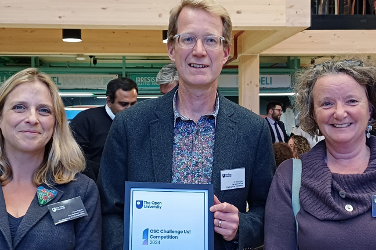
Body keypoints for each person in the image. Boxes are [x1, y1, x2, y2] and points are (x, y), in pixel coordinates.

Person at [97, 1, 275, 249]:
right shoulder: (130, 125)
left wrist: (241, 226)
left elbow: (268, 210)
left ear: (225, 52)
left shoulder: (252, 129)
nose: (199, 50)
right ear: (172, 49)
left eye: (211, 40)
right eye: (188, 38)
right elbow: (109, 211)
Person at [264, 59, 376, 249]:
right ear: (313, 114)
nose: (339, 113)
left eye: (351, 101)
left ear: (370, 108)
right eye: (327, 103)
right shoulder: (290, 177)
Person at [0, 68, 101, 250]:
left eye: (44, 110)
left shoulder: (80, 191)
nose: (32, 118)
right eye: (19, 107)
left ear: (56, 123)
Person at [69, 78, 138, 181]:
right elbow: (74, 158)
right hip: (95, 187)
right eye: (123, 104)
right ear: (109, 101)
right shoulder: (85, 120)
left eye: (133, 104)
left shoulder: (138, 123)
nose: (129, 109)